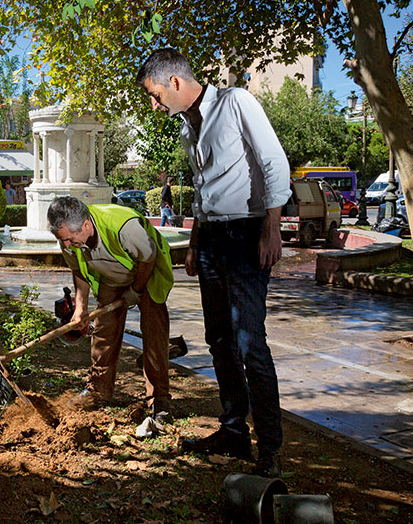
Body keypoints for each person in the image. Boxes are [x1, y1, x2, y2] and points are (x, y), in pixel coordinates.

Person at [137, 48, 291, 476]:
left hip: (247, 234)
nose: (154, 105)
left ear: (175, 83)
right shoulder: (188, 128)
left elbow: (274, 164)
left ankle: (270, 449)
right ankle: (233, 431)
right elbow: (203, 192)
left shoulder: (235, 102)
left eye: (153, 95)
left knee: (249, 341)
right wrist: (193, 243)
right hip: (211, 241)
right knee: (218, 338)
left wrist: (271, 228)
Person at [47, 196, 174, 427]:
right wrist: (81, 308)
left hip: (147, 271)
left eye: (68, 239)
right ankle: (98, 391)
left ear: (86, 225)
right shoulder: (67, 237)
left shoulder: (125, 227)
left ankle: (159, 400)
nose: (65, 245)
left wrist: (136, 290)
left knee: (154, 336)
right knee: (104, 332)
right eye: (62, 240)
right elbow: (78, 270)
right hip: (111, 277)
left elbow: (149, 257)